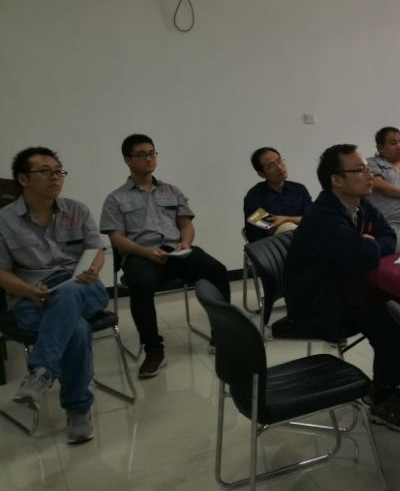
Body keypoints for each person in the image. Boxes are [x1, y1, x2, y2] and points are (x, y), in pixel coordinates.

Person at [284, 144, 400, 430]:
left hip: (345, 285)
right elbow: (361, 256)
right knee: (388, 317)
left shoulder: (360, 203)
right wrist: (367, 247)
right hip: (318, 301)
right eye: (359, 170)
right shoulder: (323, 215)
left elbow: (388, 236)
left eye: (367, 169)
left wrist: (370, 244)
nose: (369, 176)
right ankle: (383, 395)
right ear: (336, 179)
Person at [100, 134, 231, 379]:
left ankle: (221, 334)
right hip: (140, 255)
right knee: (141, 283)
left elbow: (186, 225)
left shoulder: (171, 191)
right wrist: (145, 252)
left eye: (152, 153)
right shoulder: (116, 198)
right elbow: (116, 238)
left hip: (175, 252)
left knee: (217, 271)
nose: (149, 158)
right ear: (127, 159)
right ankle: (153, 350)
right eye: (141, 155)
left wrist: (185, 242)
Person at [0, 147, 106, 444]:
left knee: (70, 291)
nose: (55, 177)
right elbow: (1, 272)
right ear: (23, 179)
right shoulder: (4, 221)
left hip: (83, 287)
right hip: (32, 296)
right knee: (77, 328)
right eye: (45, 171)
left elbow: (96, 249)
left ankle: (42, 370)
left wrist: (93, 269)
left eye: (59, 171)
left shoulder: (77, 210)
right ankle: (78, 410)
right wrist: (29, 291)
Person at [243, 147, 311, 242]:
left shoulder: (299, 190)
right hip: (270, 247)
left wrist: (286, 219)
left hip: (304, 241)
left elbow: (312, 218)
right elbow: (270, 225)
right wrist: (296, 220)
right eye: (271, 166)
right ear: (262, 174)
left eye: (279, 161)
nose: (279, 167)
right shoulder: (253, 197)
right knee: (287, 227)